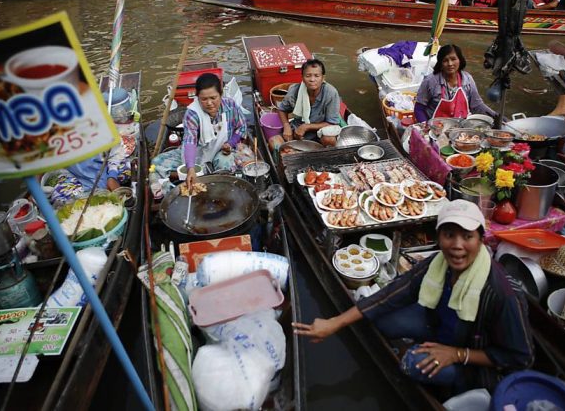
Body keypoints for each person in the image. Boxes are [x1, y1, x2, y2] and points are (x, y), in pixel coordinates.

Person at [293, 200, 534, 395]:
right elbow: (393, 293)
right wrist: (335, 322)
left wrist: (457, 354)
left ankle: (451, 386)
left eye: (467, 237)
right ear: (439, 238)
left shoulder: (503, 294)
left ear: (480, 240)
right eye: (449, 235)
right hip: (437, 324)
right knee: (381, 319)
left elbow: (520, 358)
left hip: (471, 355)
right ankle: (430, 346)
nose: (458, 245)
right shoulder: (438, 263)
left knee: (412, 363)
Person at [182, 73, 247, 188]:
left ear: (221, 94)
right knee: (158, 164)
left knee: (225, 166)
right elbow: (190, 141)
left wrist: (230, 143)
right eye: (204, 99)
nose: (209, 103)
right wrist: (190, 168)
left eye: (213, 98)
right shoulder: (192, 114)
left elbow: (242, 127)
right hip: (199, 153)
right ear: (197, 97)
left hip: (221, 150)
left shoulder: (230, 105)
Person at [414, 45, 497, 123]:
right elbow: (419, 108)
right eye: (445, 60)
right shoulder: (430, 81)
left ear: (460, 60)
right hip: (435, 127)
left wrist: (496, 116)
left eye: (453, 59)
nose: (450, 64)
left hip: (459, 127)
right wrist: (426, 126)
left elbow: (477, 106)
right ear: (440, 64)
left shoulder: (467, 79)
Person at [277, 59, 342, 147]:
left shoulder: (330, 92)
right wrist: (286, 126)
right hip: (297, 129)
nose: (312, 79)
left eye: (316, 76)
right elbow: (282, 109)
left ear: (323, 78)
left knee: (329, 139)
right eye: (308, 76)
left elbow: (332, 122)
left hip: (320, 130)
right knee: (274, 142)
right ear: (302, 78)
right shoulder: (294, 90)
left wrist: (306, 127)